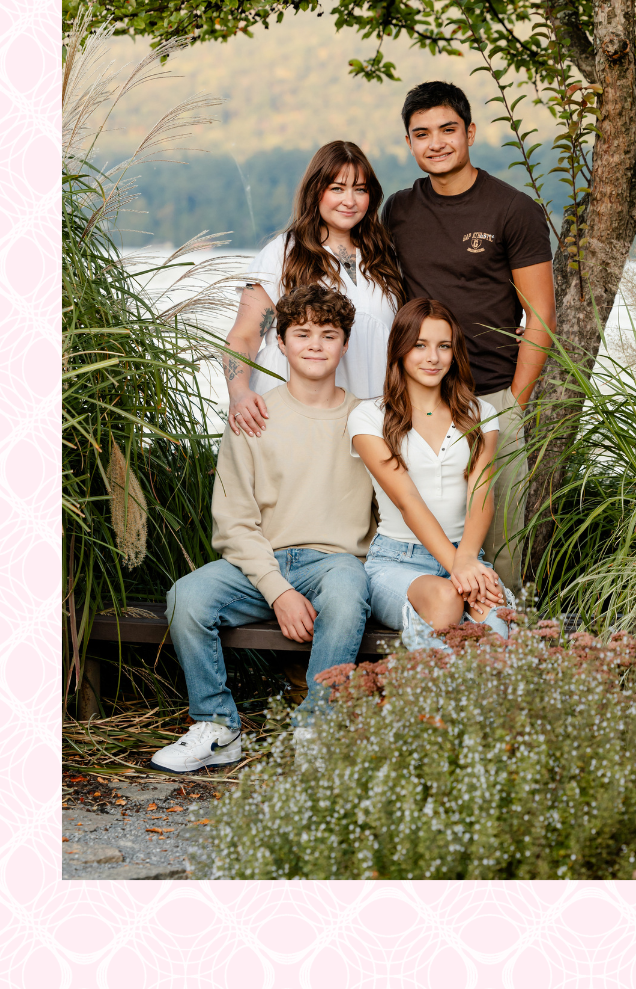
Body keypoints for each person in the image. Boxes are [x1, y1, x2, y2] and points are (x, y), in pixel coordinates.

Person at [152, 285, 375, 773]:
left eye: (329, 334)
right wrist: (277, 591)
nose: (315, 344)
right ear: (281, 340)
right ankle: (217, 727)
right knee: (185, 598)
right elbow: (233, 523)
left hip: (335, 561)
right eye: (303, 333)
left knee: (346, 588)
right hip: (260, 563)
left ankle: (317, 728)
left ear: (345, 343)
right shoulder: (254, 414)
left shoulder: (367, 418)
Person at [381, 82, 555, 588]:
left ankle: (499, 655)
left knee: (499, 549)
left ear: (470, 132)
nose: (435, 143)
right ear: (410, 143)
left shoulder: (512, 210)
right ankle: (431, 649)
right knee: (419, 539)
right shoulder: (399, 210)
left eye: (447, 130)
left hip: (490, 398)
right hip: (419, 402)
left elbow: (540, 314)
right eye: (421, 134)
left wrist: (513, 403)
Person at [348, 298, 514, 649]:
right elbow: (407, 501)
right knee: (446, 598)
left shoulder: (480, 412)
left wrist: (468, 560)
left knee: (497, 630)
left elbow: (481, 492)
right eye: (420, 345)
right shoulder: (369, 417)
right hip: (398, 561)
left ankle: (460, 702)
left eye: (443, 346)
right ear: (400, 349)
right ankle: (429, 702)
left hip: (469, 553)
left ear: (455, 353)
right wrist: (459, 569)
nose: (432, 357)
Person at [223, 140, 406, 438]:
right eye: (337, 188)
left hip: (371, 411)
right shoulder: (282, 254)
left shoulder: (384, 256)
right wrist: (239, 392)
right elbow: (243, 336)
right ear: (315, 191)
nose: (349, 200)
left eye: (360, 189)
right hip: (294, 411)